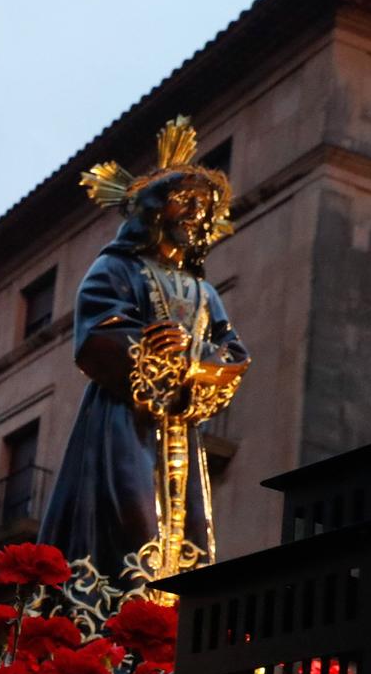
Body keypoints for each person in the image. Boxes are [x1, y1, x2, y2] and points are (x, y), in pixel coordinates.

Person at [40, 116, 250, 580]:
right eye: (186, 202)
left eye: (204, 207)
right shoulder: (117, 271)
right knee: (131, 519)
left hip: (180, 423)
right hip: (123, 419)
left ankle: (167, 618)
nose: (198, 215)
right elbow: (97, 331)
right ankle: (121, 610)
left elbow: (232, 350)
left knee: (186, 528)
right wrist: (147, 348)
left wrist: (199, 361)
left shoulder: (204, 292)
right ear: (155, 211)